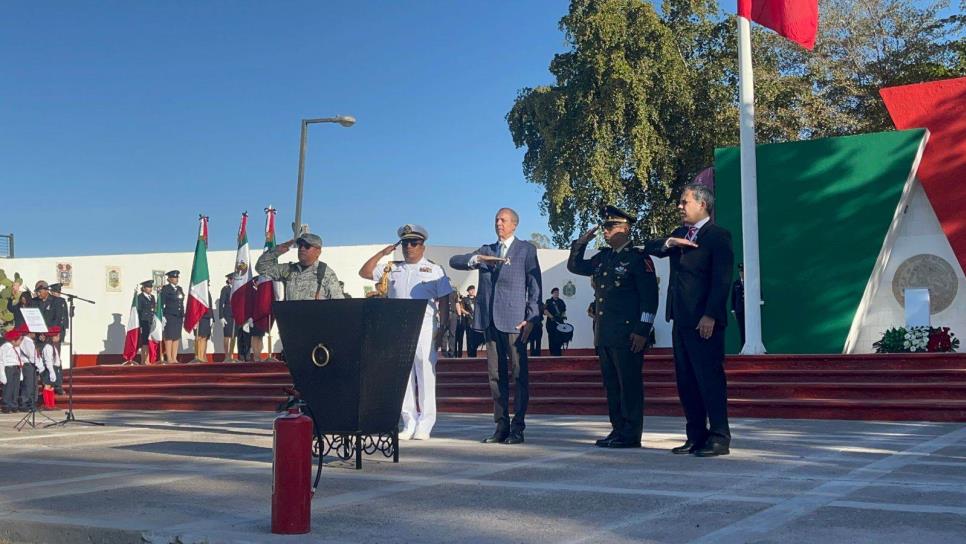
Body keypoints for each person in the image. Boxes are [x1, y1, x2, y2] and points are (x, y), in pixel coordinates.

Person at [646, 183, 734, 457]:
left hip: (704, 321)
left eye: (685, 202)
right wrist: (672, 242)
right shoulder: (679, 235)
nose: (680, 206)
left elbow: (721, 279)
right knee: (686, 381)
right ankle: (696, 435)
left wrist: (710, 314)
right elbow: (651, 247)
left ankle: (719, 437)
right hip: (680, 319)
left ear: (702, 204)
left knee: (709, 378)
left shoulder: (718, 236)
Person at [568, 206, 659, 448]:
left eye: (610, 227)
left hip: (628, 334)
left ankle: (631, 433)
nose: (605, 231)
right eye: (604, 226)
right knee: (612, 385)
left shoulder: (639, 259)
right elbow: (575, 267)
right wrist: (581, 243)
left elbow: (650, 298)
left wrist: (643, 331)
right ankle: (618, 429)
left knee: (629, 385)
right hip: (605, 332)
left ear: (625, 229)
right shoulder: (604, 257)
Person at [450, 208, 542, 445]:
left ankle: (518, 428)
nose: (499, 223)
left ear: (514, 224)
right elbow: (455, 261)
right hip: (490, 322)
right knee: (495, 376)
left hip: (514, 322)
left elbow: (534, 286)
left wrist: (532, 317)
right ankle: (501, 426)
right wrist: (478, 259)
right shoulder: (486, 250)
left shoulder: (526, 250)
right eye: (496, 220)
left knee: (519, 375)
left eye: (503, 220)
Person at [359, 224, 452, 440]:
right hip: (397, 328)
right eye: (405, 243)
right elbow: (364, 272)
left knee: (425, 374)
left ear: (423, 246)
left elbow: (445, 300)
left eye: (414, 243)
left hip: (424, 327)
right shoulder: (392, 268)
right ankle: (408, 421)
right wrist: (383, 253)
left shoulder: (433, 270)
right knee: (402, 376)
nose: (409, 247)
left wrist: (444, 328)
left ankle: (425, 423)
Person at [255, 232, 345, 301]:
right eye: (300, 245)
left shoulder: (326, 273)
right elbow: (262, 268)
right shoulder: (289, 270)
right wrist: (276, 251)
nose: (302, 249)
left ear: (318, 251)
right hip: (291, 323)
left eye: (307, 246)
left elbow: (339, 305)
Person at [159, 270, 185, 364]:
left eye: (177, 277)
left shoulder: (179, 289)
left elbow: (181, 303)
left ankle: (174, 358)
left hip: (178, 316)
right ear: (169, 279)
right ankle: (169, 357)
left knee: (176, 337)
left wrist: (183, 314)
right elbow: (161, 303)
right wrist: (162, 316)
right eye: (174, 277)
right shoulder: (166, 289)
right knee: (169, 336)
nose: (176, 279)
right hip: (169, 315)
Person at [16, 325, 40, 412]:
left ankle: (29, 403)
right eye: (33, 332)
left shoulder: (27, 341)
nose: (35, 334)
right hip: (29, 365)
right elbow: (32, 356)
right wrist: (39, 365)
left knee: (31, 385)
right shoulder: (27, 342)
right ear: (29, 333)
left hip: (30, 365)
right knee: (29, 385)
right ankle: (25, 404)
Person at [1, 329, 24, 413]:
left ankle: (14, 405)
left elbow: (18, 359)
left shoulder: (17, 348)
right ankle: (6, 406)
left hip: (16, 368)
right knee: (8, 388)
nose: (20, 342)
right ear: (13, 340)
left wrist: (20, 371)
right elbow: (1, 360)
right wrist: (2, 374)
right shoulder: (5, 347)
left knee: (15, 388)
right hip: (9, 368)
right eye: (19, 340)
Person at [137, 280, 156, 365]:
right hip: (144, 321)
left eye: (151, 287)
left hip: (151, 321)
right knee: (144, 341)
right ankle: (144, 359)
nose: (150, 289)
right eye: (148, 287)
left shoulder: (152, 297)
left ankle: (147, 359)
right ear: (143, 288)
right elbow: (139, 310)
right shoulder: (140, 297)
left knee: (150, 340)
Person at [544, 287, 567, 356]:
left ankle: (558, 352)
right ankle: (552, 353)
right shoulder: (548, 301)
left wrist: (562, 316)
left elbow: (563, 311)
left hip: (559, 323)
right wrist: (552, 317)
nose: (557, 294)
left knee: (559, 337)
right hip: (551, 323)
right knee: (551, 337)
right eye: (555, 292)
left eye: (558, 292)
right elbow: (545, 311)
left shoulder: (561, 301)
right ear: (552, 293)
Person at [192, 292, 214, 363]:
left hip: (206, 317)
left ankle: (202, 356)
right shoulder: (196, 289)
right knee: (198, 337)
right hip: (198, 316)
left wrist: (211, 317)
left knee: (204, 337)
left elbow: (210, 305)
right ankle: (197, 356)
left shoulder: (207, 292)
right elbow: (193, 304)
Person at [461, 286, 482, 357]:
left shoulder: (477, 299)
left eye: (473, 290)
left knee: (475, 337)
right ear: (468, 291)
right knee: (469, 337)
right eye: (471, 290)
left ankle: (474, 353)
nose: (472, 291)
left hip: (477, 322)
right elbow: (461, 308)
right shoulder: (465, 299)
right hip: (469, 321)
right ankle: (470, 354)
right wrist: (467, 313)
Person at [218, 273, 235, 360]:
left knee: (233, 336)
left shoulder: (237, 289)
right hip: (227, 315)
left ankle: (231, 355)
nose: (234, 280)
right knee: (227, 336)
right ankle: (226, 356)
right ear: (229, 280)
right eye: (232, 279)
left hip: (235, 316)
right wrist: (221, 316)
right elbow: (221, 304)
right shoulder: (225, 289)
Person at [732, 264, 746, 347]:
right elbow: (733, 297)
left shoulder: (751, 281)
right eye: (740, 271)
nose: (742, 273)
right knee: (742, 329)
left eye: (743, 271)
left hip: (749, 310)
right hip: (739, 310)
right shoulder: (736, 283)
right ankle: (743, 347)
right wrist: (733, 309)